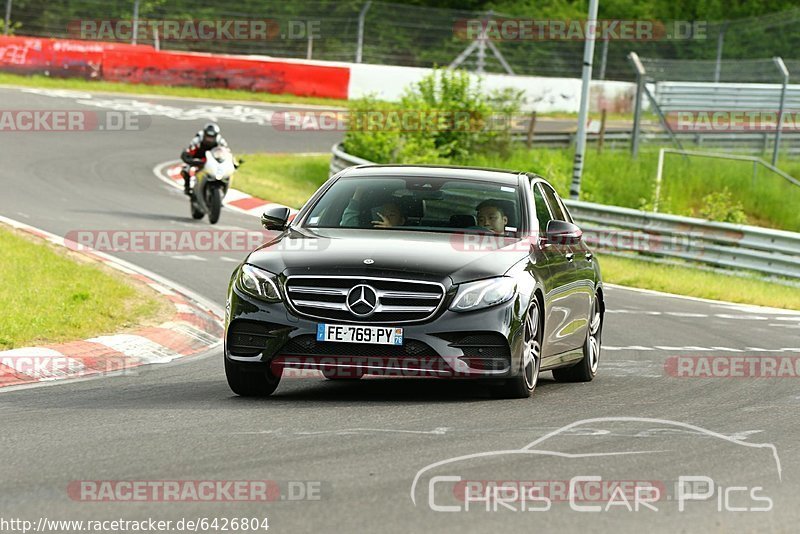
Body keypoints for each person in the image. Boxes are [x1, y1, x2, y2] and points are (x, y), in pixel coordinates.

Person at [180, 123, 229, 195]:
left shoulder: (220, 141)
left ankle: (223, 190)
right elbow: (190, 150)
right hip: (198, 158)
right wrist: (188, 157)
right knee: (185, 170)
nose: (209, 139)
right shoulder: (197, 139)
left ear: (215, 136)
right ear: (204, 134)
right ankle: (187, 187)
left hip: (213, 158)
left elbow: (227, 152)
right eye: (208, 136)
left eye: (212, 137)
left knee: (227, 173)